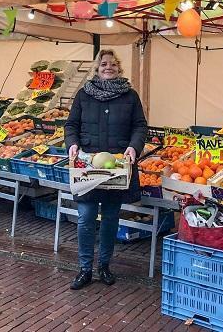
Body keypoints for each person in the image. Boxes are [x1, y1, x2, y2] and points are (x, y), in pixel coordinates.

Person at [64, 49, 148, 290]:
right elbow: (71, 125)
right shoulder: (83, 94)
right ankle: (84, 269)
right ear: (97, 68)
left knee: (111, 219)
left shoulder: (130, 96)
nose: (108, 67)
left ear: (119, 67)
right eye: (103, 64)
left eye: (112, 64)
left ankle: (104, 266)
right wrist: (72, 145)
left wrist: (133, 148)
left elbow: (140, 126)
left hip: (118, 166)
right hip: (88, 166)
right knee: (86, 218)